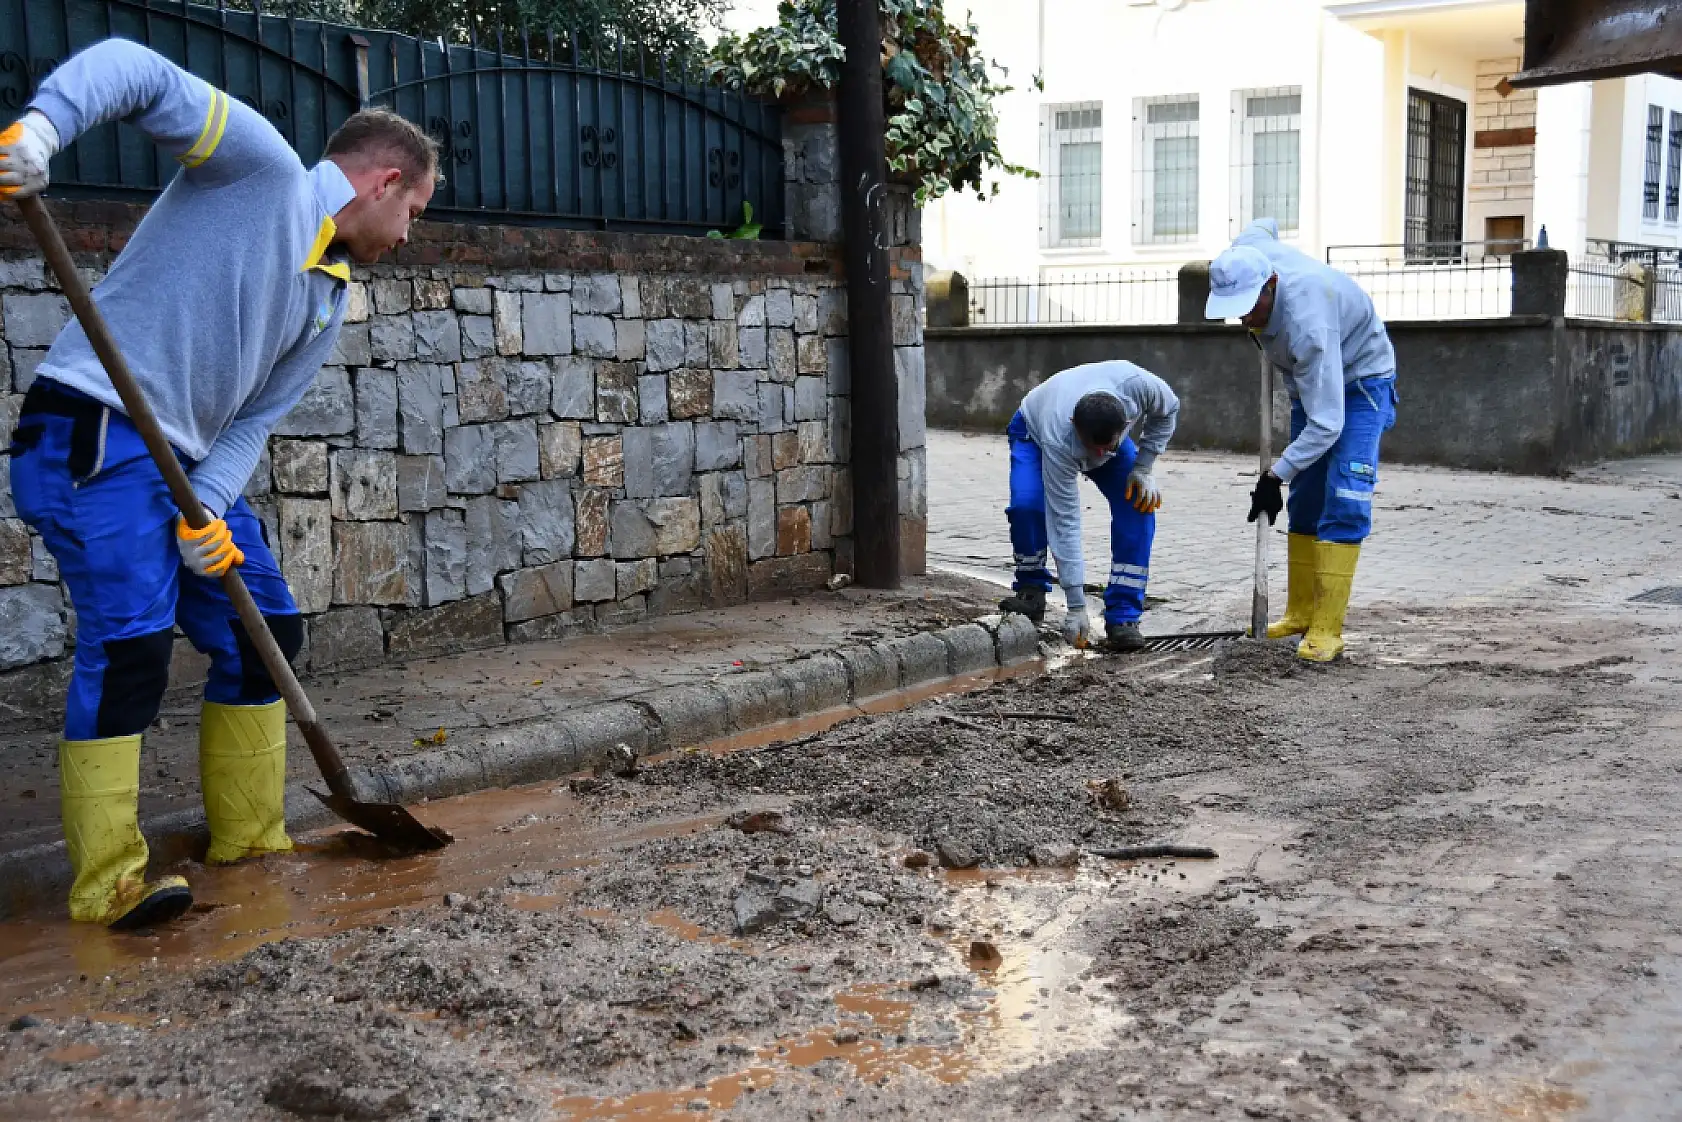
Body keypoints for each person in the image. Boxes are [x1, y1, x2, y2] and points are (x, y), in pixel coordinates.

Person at [0, 38, 438, 928]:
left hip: (188, 466)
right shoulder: (259, 169)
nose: (408, 236)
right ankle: (109, 881)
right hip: (94, 426)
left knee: (266, 627)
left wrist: (207, 509)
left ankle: (249, 836)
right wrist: (43, 129)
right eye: (417, 212)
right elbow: (135, 66)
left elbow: (251, 421)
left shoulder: (327, 295)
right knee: (131, 649)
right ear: (384, 181)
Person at [1207, 218, 1399, 662]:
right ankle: (1299, 613)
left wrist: (1275, 474)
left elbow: (1328, 423)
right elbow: (1263, 226)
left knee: (1346, 495)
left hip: (1362, 381)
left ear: (1272, 284)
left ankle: (1327, 630)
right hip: (1313, 387)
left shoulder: (1310, 325)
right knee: (1306, 497)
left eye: (1251, 306)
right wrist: (1289, 477)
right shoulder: (1249, 255)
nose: (1245, 318)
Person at [996, 360, 1179, 652]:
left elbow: (1169, 410)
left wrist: (1143, 467)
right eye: (1093, 447)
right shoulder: (1059, 435)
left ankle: (1123, 616)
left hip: (1099, 431)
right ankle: (1030, 589)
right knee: (1027, 506)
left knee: (1138, 507)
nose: (1098, 455)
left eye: (1106, 448)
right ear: (1074, 426)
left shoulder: (1140, 387)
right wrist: (1076, 606)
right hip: (1034, 431)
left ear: (1127, 422)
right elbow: (1065, 520)